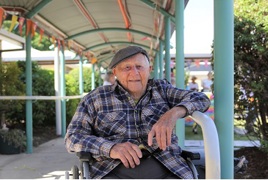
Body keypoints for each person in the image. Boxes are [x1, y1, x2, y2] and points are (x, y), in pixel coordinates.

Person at [64, 46, 211, 179]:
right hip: (111, 168)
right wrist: (111, 148)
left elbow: (201, 99)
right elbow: (72, 138)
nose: (134, 73)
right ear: (115, 72)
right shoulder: (95, 98)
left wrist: (174, 113)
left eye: (139, 67)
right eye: (126, 68)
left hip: (167, 165)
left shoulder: (163, 90)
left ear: (149, 69)